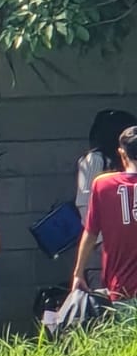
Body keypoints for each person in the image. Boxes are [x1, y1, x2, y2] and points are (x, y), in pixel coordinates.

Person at [71, 124, 137, 307]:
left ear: (122, 154)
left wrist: (78, 273)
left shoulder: (104, 184)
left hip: (121, 288)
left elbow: (90, 232)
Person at [78, 110, 137, 218]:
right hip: (105, 230)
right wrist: (96, 232)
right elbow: (85, 203)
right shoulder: (96, 159)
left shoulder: (128, 159)